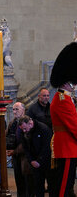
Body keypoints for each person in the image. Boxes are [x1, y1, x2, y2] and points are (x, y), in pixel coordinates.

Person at [49, 42, 77, 197]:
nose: (74, 85)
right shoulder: (62, 100)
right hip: (67, 148)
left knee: (68, 186)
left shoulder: (64, 98)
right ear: (67, 82)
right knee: (63, 189)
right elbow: (74, 126)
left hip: (69, 147)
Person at [18, 115, 52, 197]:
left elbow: (47, 147)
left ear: (30, 123)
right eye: (22, 129)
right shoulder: (24, 132)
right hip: (34, 163)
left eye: (25, 128)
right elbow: (25, 148)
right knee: (38, 186)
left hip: (47, 162)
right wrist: (31, 161)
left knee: (51, 186)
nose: (24, 131)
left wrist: (39, 161)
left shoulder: (43, 129)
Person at [6, 102, 32, 196]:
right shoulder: (12, 122)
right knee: (19, 182)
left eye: (17, 109)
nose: (14, 111)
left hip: (25, 158)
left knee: (27, 183)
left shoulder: (28, 122)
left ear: (23, 110)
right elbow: (7, 136)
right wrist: (7, 148)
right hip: (15, 157)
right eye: (13, 109)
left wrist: (15, 151)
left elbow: (27, 141)